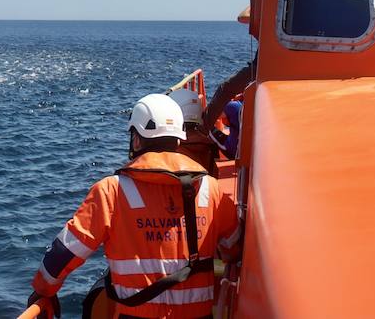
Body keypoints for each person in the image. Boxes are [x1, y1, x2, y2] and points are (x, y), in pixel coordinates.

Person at [27, 93, 240, 319]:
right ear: (179, 140)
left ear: (137, 140)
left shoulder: (111, 192)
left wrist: (43, 291)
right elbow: (233, 248)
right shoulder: (211, 189)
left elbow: (65, 253)